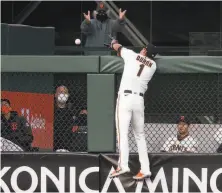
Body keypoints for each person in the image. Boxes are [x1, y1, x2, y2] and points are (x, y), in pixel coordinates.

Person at [109, 39, 157, 180]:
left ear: (145, 51)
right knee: (140, 135)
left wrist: (113, 43)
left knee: (122, 133)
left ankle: (123, 165)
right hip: (139, 101)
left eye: (144, 48)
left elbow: (118, 47)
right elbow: (141, 61)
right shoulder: (153, 65)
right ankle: (145, 169)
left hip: (125, 98)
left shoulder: (132, 55)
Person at [53, 85, 75, 152]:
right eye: (60, 92)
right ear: (55, 94)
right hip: (52, 146)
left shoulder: (72, 111)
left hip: (68, 147)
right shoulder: (50, 110)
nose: (63, 94)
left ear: (68, 95)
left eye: (65, 93)